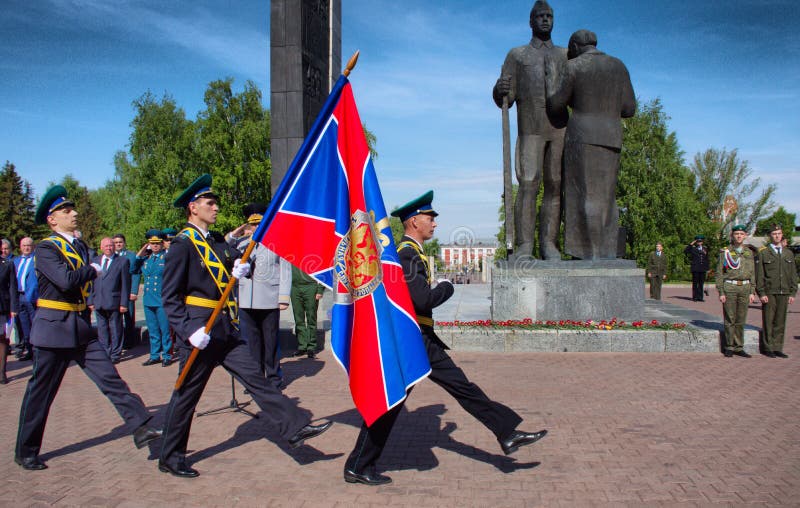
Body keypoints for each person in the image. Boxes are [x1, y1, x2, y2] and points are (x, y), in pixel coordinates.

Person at [343, 191, 547, 486]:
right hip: (415, 341)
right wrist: (447, 287)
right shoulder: (407, 254)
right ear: (414, 222)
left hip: (420, 340)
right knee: (401, 401)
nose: (434, 224)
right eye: (430, 218)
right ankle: (358, 464)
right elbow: (421, 299)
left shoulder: (413, 252)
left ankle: (506, 433)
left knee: (454, 388)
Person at [158, 174, 331, 478]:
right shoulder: (182, 246)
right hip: (200, 331)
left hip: (225, 328)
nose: (216, 208)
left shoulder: (214, 241)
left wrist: (241, 266)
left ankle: (294, 427)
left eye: (215, 203)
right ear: (192, 207)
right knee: (186, 396)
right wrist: (188, 330)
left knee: (258, 378)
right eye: (210, 203)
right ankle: (170, 456)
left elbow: (237, 260)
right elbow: (169, 298)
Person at [14, 185, 160, 471]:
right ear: (52, 219)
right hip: (53, 328)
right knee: (41, 394)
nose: (75, 213)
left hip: (81, 327)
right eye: (67, 210)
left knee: (111, 379)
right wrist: (92, 270)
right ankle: (26, 450)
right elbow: (67, 281)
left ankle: (141, 427)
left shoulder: (79, 246)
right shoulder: (46, 249)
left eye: (73, 208)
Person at [546, 29, 636, 260]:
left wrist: (550, 85)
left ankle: (590, 253)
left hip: (583, 137)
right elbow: (629, 108)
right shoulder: (619, 66)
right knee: (607, 197)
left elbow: (557, 104)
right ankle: (606, 253)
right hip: (612, 137)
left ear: (575, 47)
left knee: (586, 195)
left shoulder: (574, 66)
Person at [493, 0, 567, 259]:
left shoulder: (565, 55)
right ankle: (525, 245)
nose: (545, 20)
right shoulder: (518, 55)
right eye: (540, 16)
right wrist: (498, 89)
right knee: (527, 185)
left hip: (559, 130)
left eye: (549, 16)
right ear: (531, 21)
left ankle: (549, 244)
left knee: (555, 185)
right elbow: (506, 96)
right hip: (530, 131)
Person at [226, 203, 291, 388]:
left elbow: (286, 269)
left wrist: (283, 297)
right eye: (252, 224)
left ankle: (273, 378)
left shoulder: (277, 242)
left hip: (269, 299)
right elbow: (225, 245)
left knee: (270, 343)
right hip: (246, 300)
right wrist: (238, 231)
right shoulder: (242, 244)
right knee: (251, 344)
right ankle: (256, 380)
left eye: (259, 224)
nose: (256, 228)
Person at [756, 224, 797, 358]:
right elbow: (760, 275)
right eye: (774, 234)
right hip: (769, 292)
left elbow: (793, 275)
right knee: (769, 320)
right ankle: (768, 347)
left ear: (782, 234)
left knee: (780, 321)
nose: (777, 236)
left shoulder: (788, 253)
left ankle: (778, 347)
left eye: (779, 233)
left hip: (784, 292)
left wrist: (792, 293)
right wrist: (761, 293)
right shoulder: (764, 253)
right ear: (770, 236)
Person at [131, 229, 172, 367]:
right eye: (152, 243)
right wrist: (143, 248)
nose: (155, 246)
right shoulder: (146, 259)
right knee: (153, 329)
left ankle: (167, 355)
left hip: (161, 299)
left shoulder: (166, 257)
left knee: (165, 329)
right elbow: (133, 266)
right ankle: (155, 355)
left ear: (162, 244)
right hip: (148, 299)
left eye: (157, 243)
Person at [715, 225, 756, 358]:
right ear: (732, 235)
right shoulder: (725, 252)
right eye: (736, 233)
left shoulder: (749, 252)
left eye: (741, 233)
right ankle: (729, 346)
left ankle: (739, 347)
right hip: (730, 288)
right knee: (730, 318)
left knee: (741, 319)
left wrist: (752, 291)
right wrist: (721, 291)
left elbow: (753, 273)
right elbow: (719, 273)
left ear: (745, 235)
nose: (739, 236)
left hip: (745, 287)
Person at [88, 238, 130, 364]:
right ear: (101, 247)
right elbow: (91, 283)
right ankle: (105, 352)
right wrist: (90, 300)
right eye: (106, 246)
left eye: (111, 245)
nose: (109, 248)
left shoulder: (122, 261)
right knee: (102, 329)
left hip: (114, 302)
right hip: (99, 301)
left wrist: (124, 303)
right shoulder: (95, 261)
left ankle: (115, 354)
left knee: (116, 328)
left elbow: (125, 284)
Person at [291, 265, 324, 359]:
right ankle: (302, 346)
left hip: (311, 286)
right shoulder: (291, 251)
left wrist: (320, 289)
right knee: (298, 318)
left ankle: (311, 347)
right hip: (295, 287)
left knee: (311, 317)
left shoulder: (312, 251)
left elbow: (323, 268)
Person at [112, 233, 140, 347]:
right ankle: (117, 342)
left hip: (127, 292)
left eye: (120, 242)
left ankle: (129, 342)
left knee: (129, 317)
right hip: (115, 293)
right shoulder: (111, 256)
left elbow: (135, 273)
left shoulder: (130, 255)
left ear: (124, 243)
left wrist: (134, 291)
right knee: (115, 319)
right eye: (116, 242)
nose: (118, 244)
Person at [13, 237, 37, 361]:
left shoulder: (37, 261)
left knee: (34, 325)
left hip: (32, 297)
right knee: (24, 325)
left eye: (29, 245)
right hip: (19, 297)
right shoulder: (16, 261)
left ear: (33, 247)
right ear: (20, 247)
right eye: (24, 245)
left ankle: (37, 352)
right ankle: (29, 350)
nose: (26, 248)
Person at [0, 253, 19, 383]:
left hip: (2, 307)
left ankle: (1, 372)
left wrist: (13, 308)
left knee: (1, 338)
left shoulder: (7, 264)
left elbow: (12, 287)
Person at [684, 235, 710, 301]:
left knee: (701, 283)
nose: (699, 243)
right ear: (696, 242)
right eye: (698, 241)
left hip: (702, 268)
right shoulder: (693, 248)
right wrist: (691, 244)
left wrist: (707, 268)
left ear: (702, 242)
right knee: (695, 283)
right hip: (695, 268)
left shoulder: (705, 249)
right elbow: (686, 251)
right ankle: (695, 297)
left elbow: (706, 259)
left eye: (700, 241)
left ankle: (700, 297)